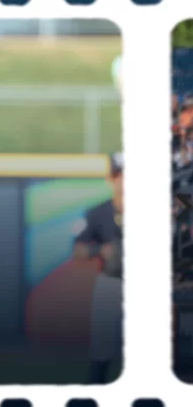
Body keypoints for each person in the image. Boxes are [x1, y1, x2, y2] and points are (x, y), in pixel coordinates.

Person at [72, 152, 124, 384]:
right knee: (101, 351)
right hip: (112, 282)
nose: (124, 180)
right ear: (111, 179)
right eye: (119, 175)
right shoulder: (99, 212)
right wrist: (100, 250)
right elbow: (78, 250)